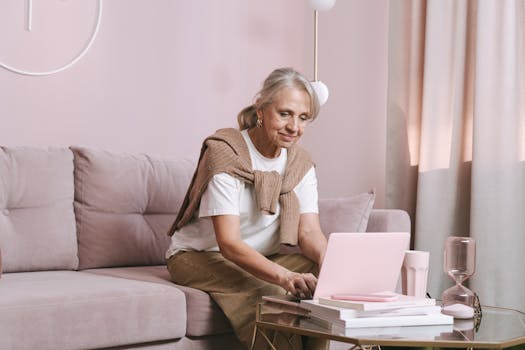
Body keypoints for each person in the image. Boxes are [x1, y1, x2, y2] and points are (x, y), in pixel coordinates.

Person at [166, 67, 328, 349]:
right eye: (285, 113)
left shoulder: (300, 164)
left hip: (261, 256)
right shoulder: (227, 153)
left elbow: (309, 231)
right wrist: (284, 276)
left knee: (320, 280)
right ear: (261, 110)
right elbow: (228, 244)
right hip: (199, 256)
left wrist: (333, 268)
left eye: (303, 118)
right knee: (272, 292)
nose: (294, 127)